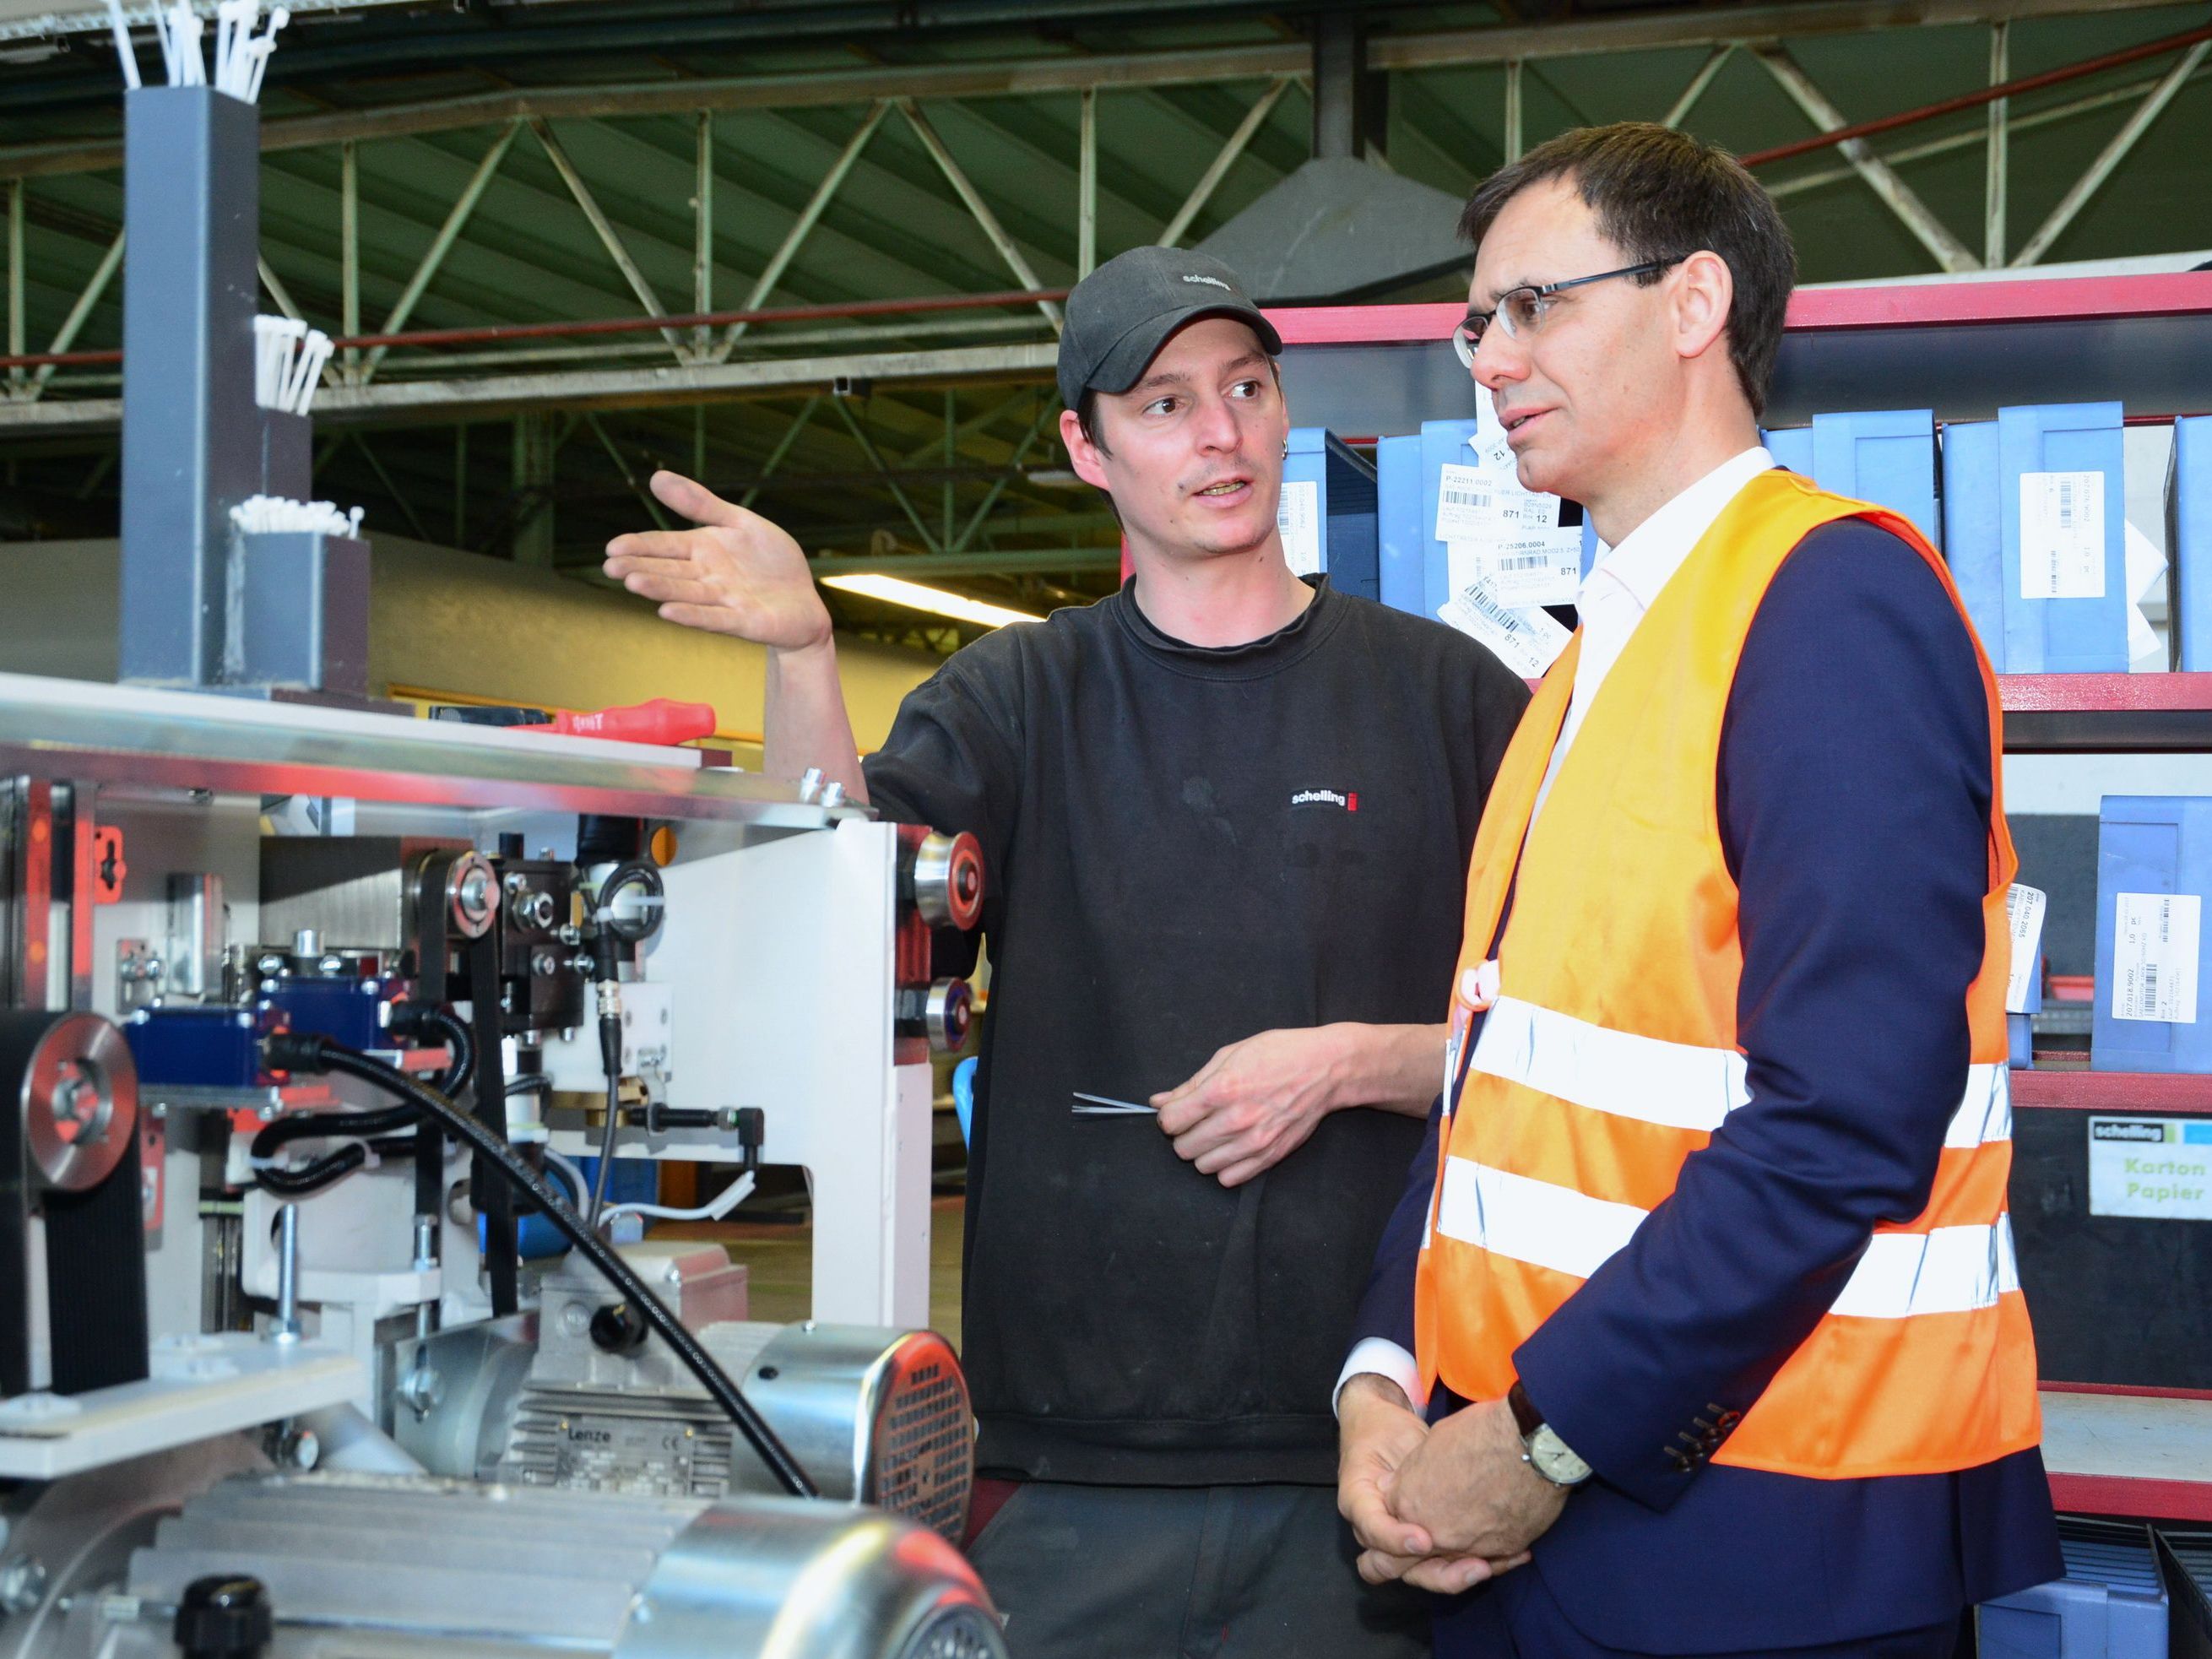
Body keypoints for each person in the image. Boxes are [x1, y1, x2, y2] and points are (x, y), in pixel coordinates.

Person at [604, 245, 1531, 1658]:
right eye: (1163, 404)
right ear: (1085, 450)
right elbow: (855, 937)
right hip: (1066, 1466)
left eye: (1245, 389)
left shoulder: (1452, 697)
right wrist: (802, 659)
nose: (1218, 434)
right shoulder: (1018, 699)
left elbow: (1572, 1030)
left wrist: (1360, 1061)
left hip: (1371, 1451)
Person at [1336, 122, 2062, 1658]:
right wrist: (1383, 1379)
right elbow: (1490, 1080)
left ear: (1692, 303)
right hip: (1521, 1512)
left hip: (1761, 1537)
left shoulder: (1829, 603)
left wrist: (1542, 1436)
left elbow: (1846, 1115)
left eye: (1535, 306)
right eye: (1477, 321)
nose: (1489, 358)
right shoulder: (1585, 663)